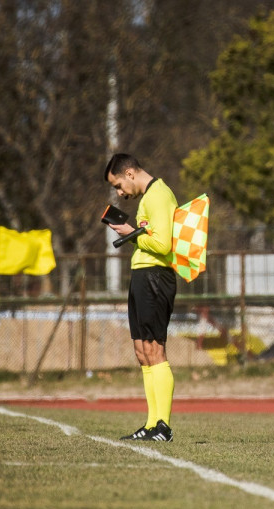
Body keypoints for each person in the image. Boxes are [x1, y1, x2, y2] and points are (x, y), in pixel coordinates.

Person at [104, 153, 178, 442]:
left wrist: (131, 233)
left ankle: (164, 427)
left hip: (156, 277)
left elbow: (162, 243)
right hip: (142, 275)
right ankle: (151, 425)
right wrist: (134, 233)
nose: (121, 193)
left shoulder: (158, 194)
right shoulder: (148, 197)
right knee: (142, 352)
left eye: (119, 185)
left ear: (130, 173)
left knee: (155, 350)